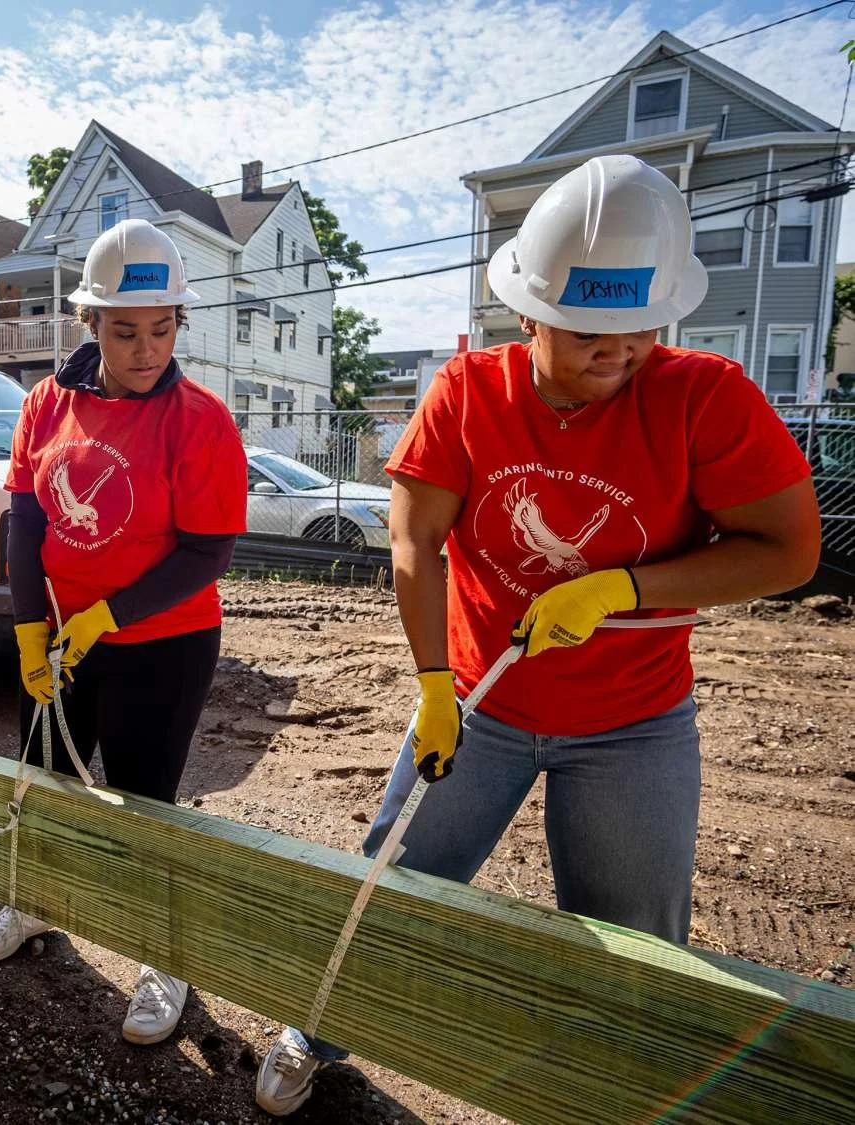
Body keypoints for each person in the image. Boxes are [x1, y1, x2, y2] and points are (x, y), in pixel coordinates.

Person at [255, 155, 822, 1115]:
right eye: (589, 331)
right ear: (527, 311)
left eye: (640, 325)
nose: (622, 349)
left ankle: (617, 1092)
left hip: (635, 721)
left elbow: (788, 550)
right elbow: (414, 540)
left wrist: (622, 588)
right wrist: (434, 683)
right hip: (479, 701)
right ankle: (319, 1026)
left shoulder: (705, 396)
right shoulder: (469, 394)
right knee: (394, 881)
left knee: (634, 941)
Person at [0, 219, 248, 1048]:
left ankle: (166, 955)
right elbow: (24, 524)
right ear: (89, 323)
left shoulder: (199, 419)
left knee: (142, 803)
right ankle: (38, 901)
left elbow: (207, 553)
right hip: (58, 637)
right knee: (44, 774)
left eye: (162, 328)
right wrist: (27, 631)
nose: (146, 347)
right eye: (125, 329)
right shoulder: (46, 403)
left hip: (161, 643)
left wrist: (109, 615)